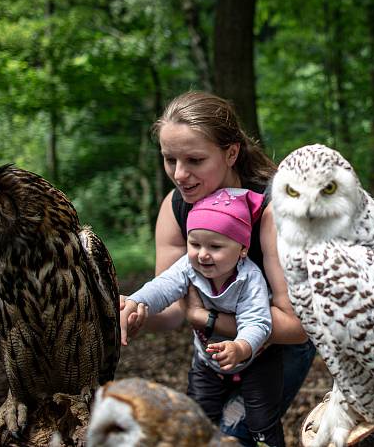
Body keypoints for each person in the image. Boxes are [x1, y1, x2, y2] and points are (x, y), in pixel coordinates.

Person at [121, 91, 316, 446]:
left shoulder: (273, 209)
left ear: (231, 153)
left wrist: (207, 320)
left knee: (234, 437)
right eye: (169, 159)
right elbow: (172, 312)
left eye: (195, 160)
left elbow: (297, 329)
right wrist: (134, 310)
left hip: (278, 349)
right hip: (214, 355)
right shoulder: (176, 207)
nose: (180, 175)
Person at [124, 188, 285, 446]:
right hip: (207, 362)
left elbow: (258, 322)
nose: (202, 254)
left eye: (215, 246)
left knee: (261, 424)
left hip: (257, 361)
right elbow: (163, 286)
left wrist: (241, 346)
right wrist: (134, 302)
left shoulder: (250, 279)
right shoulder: (189, 267)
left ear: (242, 249)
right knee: (197, 419)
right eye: (195, 244)